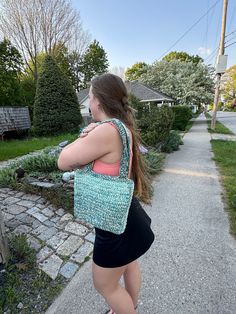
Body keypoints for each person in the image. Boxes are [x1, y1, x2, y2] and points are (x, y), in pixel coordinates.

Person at [57, 73, 155, 314]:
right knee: (129, 266)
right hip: (127, 218)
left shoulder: (105, 131)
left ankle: (125, 309)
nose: (88, 103)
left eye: (89, 97)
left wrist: (84, 135)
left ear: (98, 101)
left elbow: (63, 161)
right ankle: (129, 306)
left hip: (113, 226)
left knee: (104, 285)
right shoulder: (121, 128)